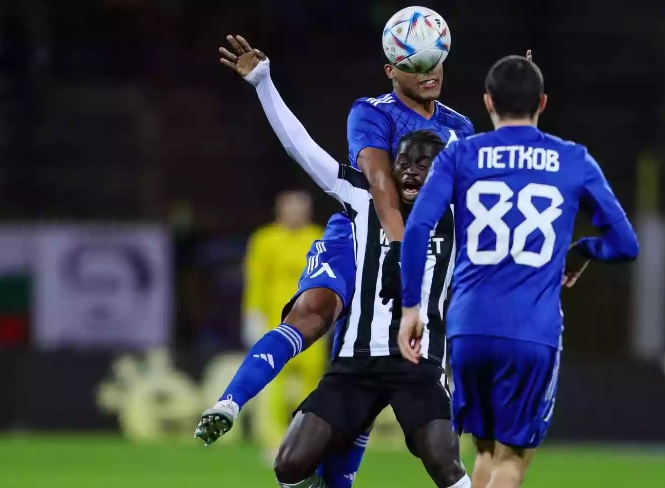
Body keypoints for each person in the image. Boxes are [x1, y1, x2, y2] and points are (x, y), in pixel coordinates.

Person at [195, 30, 473, 487]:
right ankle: (232, 401)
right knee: (313, 314)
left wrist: (516, 116)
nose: (409, 173)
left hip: (418, 356)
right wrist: (264, 83)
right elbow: (309, 150)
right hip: (358, 331)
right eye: (402, 163)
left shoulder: (461, 194)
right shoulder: (365, 162)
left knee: (441, 459)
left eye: (423, 167)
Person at [398, 55, 639, 488]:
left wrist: (411, 307)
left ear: (488, 102)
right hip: (530, 330)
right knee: (511, 461)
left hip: (468, 330)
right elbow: (626, 244)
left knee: (485, 452)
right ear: (542, 102)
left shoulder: (460, 154)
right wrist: (582, 251)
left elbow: (417, 227)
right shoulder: (573, 159)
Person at [242, 191, 326, 455]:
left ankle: (307, 440)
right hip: (276, 322)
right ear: (280, 211)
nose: (295, 215)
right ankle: (275, 441)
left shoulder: (320, 237)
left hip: (313, 321)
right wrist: (252, 314)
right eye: (290, 209)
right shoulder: (265, 239)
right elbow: (256, 279)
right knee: (274, 384)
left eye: (300, 210)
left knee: (312, 383)